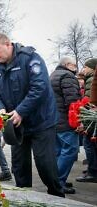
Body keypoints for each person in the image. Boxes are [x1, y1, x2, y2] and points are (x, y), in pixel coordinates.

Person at [0, 33, 64, 197]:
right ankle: (24, 198)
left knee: (46, 165)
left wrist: (21, 111)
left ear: (8, 44)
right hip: (17, 125)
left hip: (41, 122)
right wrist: (0, 109)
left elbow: (40, 87)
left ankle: (58, 197)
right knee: (19, 167)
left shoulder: (30, 58)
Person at [50, 57, 81, 194]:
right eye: (74, 65)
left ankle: (56, 180)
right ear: (67, 65)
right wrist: (78, 121)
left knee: (58, 152)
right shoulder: (68, 76)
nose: (76, 68)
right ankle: (58, 183)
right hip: (66, 121)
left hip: (54, 121)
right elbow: (73, 101)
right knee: (70, 150)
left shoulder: (52, 75)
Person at [76, 58, 97, 183]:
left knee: (88, 144)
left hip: (91, 118)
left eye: (86, 67)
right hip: (91, 117)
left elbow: (89, 101)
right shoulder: (89, 79)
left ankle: (93, 171)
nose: (84, 69)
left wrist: (83, 120)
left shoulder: (91, 79)